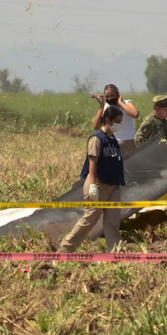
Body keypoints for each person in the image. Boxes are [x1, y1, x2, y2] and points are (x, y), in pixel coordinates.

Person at [59, 105, 127, 252]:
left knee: (113, 221)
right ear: (107, 120)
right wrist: (93, 185)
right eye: (117, 121)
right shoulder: (97, 139)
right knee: (89, 220)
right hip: (99, 184)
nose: (119, 125)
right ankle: (66, 248)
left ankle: (115, 251)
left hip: (114, 185)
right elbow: (92, 162)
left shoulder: (112, 139)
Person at [91, 85, 139, 155]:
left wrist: (120, 103)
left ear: (117, 95)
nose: (109, 98)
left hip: (128, 143)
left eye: (112, 95)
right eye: (107, 96)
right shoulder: (106, 107)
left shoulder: (126, 103)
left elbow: (135, 114)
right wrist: (101, 106)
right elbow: (96, 126)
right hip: (112, 144)